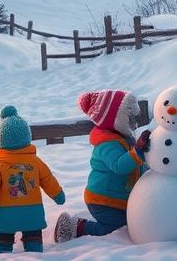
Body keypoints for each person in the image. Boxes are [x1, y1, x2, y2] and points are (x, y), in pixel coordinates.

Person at [54, 89, 149, 242]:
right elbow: (119, 166)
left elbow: (137, 164)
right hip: (103, 200)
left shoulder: (125, 138)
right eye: (129, 117)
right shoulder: (107, 143)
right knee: (113, 228)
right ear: (115, 119)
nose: (133, 122)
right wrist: (138, 151)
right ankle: (75, 227)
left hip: (119, 198)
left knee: (130, 222)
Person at [0, 105, 65, 254]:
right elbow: (48, 180)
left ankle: (2, 253)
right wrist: (58, 194)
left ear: (0, 139)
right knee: (33, 236)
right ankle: (34, 250)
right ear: (27, 136)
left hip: (6, 214)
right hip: (32, 212)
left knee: (3, 237)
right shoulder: (35, 162)